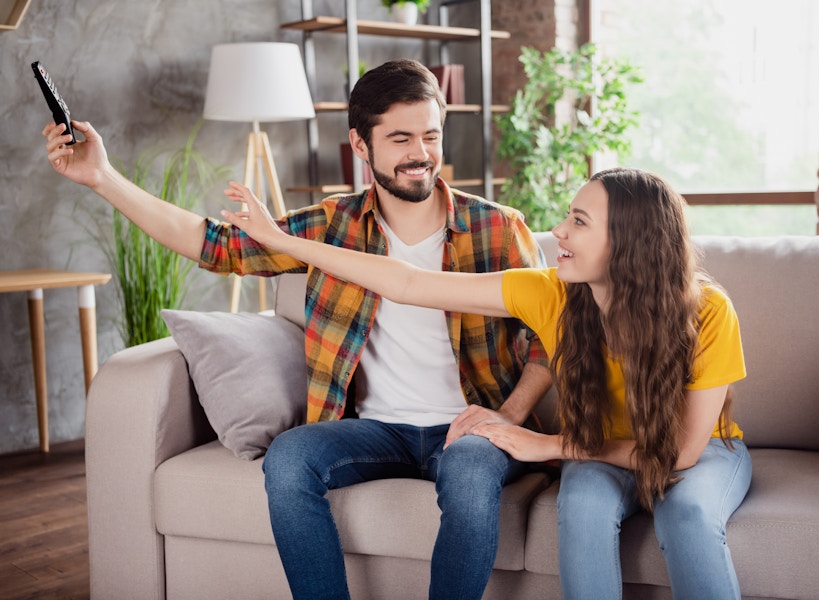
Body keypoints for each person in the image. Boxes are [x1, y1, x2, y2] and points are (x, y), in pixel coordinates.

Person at [43, 59, 552, 600]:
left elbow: (551, 339)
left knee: (472, 476)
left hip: (469, 431)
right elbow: (215, 245)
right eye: (400, 138)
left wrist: (507, 418)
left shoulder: (497, 227)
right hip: (377, 429)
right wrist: (101, 176)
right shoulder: (332, 226)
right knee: (288, 459)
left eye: (430, 135)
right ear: (360, 145)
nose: (420, 154)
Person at [211, 167, 753, 600]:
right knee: (582, 509)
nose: (559, 232)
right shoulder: (550, 293)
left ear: (630, 242)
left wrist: (545, 444)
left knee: (689, 515)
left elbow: (680, 451)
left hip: (702, 452)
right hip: (597, 453)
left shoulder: (706, 310)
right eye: (567, 216)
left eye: (580, 222)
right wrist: (281, 241)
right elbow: (406, 282)